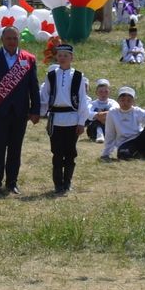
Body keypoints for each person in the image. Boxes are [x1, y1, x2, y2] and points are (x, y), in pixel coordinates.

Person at [0, 24, 40, 196]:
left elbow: (33, 87)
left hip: (20, 112)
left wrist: (35, 109)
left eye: (15, 38)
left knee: (15, 149)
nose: (12, 41)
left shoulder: (28, 59)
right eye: (8, 38)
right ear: (2, 40)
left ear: (19, 39)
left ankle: (12, 183)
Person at [39, 42, 90, 195]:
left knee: (70, 152)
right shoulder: (51, 75)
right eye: (60, 55)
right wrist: (39, 113)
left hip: (72, 119)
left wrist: (81, 122)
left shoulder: (79, 76)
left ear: (71, 57)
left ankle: (67, 182)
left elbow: (83, 99)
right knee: (56, 152)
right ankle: (57, 184)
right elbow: (44, 96)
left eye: (65, 56)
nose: (62, 58)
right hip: (55, 118)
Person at [101, 87, 145, 160]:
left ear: (133, 102)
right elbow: (110, 133)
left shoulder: (137, 111)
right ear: (118, 101)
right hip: (125, 143)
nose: (125, 103)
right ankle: (139, 153)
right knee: (123, 155)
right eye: (122, 100)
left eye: (129, 100)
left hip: (139, 138)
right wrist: (106, 153)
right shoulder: (112, 113)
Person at [86, 78, 113, 142]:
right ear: (96, 93)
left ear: (109, 92)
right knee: (96, 121)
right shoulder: (92, 103)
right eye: (101, 91)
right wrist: (99, 116)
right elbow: (88, 114)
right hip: (94, 129)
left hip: (109, 126)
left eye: (106, 92)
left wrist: (101, 116)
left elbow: (116, 112)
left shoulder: (112, 103)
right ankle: (99, 134)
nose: (103, 94)